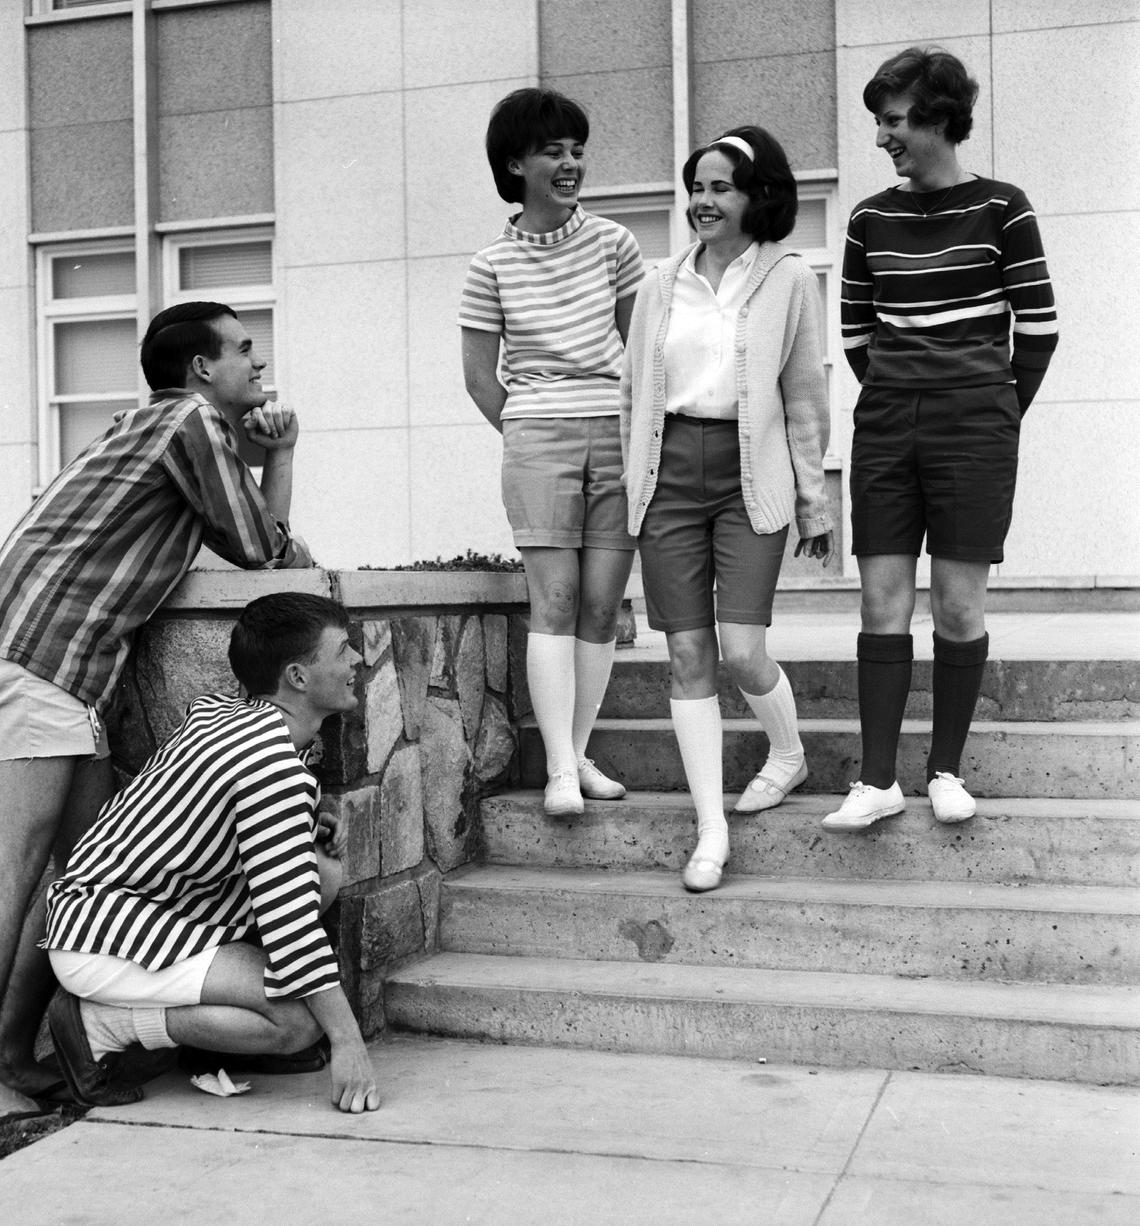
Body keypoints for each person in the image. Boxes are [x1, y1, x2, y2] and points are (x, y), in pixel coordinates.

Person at [0, 301, 313, 1123]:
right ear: (202, 369)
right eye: (244, 349)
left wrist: (261, 455)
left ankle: (18, 1049)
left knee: (73, 883)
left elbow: (257, 545)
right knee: (17, 872)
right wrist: (279, 452)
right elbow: (266, 553)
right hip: (40, 659)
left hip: (68, 670)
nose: (258, 361)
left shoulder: (162, 428)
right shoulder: (192, 422)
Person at [824, 46, 1058, 832]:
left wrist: (990, 408)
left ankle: (946, 771)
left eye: (891, 121)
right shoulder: (868, 218)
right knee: (880, 598)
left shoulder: (1004, 208)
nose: (882, 137)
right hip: (889, 425)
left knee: (958, 606)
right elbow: (857, 333)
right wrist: (902, 394)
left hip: (976, 428)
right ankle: (879, 779)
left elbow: (1042, 330)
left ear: (935, 117)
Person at [43, 593, 380, 1116]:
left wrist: (303, 820)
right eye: (342, 651)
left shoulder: (230, 713)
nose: (359, 659)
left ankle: (210, 1033)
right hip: (106, 937)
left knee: (324, 874)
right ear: (296, 676)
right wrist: (348, 1041)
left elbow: (214, 805)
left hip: (131, 906)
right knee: (298, 1022)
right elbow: (291, 929)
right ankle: (100, 1026)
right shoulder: (271, 768)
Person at [621, 126, 833, 893]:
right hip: (670, 478)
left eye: (721, 188)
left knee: (741, 649)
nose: (702, 203)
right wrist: (632, 491)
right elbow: (632, 400)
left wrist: (814, 499)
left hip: (750, 477)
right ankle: (710, 830)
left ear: (758, 195)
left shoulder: (789, 277)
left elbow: (805, 397)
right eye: (696, 188)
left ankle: (788, 754)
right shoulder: (657, 283)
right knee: (685, 657)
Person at [459, 87, 644, 819]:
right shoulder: (489, 265)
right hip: (538, 435)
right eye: (553, 151)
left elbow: (641, 356)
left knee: (602, 608)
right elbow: (479, 379)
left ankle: (576, 753)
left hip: (618, 433)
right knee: (556, 602)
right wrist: (534, 427)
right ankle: (560, 771)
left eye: (576, 150)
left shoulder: (614, 244)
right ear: (516, 163)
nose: (570, 164)